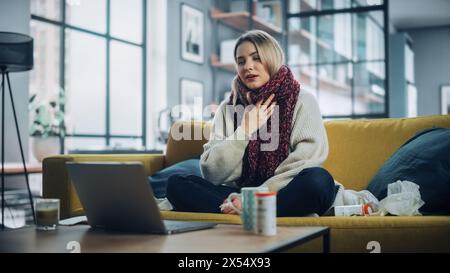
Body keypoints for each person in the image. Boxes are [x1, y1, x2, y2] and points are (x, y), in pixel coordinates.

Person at [166, 30, 336, 217]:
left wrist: (256, 196)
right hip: (239, 195)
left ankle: (245, 207)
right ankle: (244, 208)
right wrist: (245, 130)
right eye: (241, 61)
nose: (248, 66)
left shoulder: (302, 100)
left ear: (272, 59)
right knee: (176, 184)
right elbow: (212, 173)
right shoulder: (227, 108)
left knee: (319, 181)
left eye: (256, 58)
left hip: (282, 192)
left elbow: (307, 160)